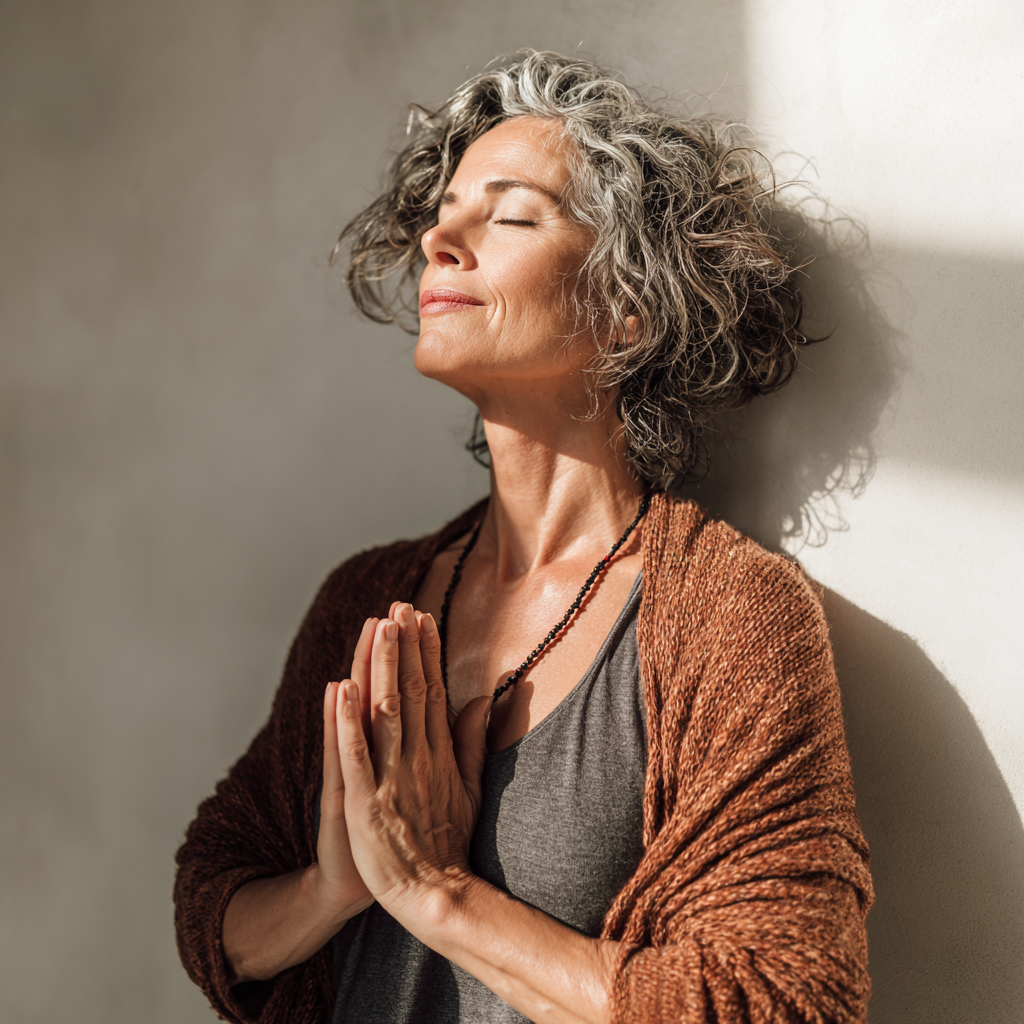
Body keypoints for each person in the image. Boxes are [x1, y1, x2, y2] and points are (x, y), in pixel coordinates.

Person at [174, 51, 873, 1024]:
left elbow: (785, 1000)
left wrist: (437, 893)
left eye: (506, 215)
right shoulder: (363, 596)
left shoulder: (728, 615)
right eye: (445, 210)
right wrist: (332, 888)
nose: (440, 238)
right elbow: (216, 897)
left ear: (627, 305)